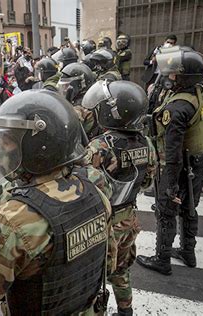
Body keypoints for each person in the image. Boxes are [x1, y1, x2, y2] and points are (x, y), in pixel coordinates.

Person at [0, 90, 112, 315]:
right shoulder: (97, 197)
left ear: (39, 147)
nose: (3, 149)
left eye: (9, 141)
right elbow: (108, 264)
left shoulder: (14, 219)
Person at [82, 80, 157, 316]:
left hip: (104, 225)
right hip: (129, 218)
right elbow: (147, 181)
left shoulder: (99, 146)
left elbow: (85, 189)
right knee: (121, 269)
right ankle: (126, 311)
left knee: (95, 275)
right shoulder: (146, 143)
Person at [137, 47, 203, 275]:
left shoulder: (177, 107)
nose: (170, 76)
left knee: (166, 211)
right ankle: (188, 252)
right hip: (199, 161)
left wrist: (170, 185)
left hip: (180, 167)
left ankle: (162, 259)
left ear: (184, 77)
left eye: (175, 73)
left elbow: (172, 154)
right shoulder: (201, 92)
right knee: (190, 207)